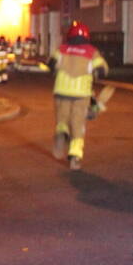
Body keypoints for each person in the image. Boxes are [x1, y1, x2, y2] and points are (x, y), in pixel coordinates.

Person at [48, 21, 108, 170]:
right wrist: (95, 73)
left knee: (62, 119)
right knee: (78, 125)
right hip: (81, 94)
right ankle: (75, 156)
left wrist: (56, 69)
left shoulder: (62, 49)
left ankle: (62, 132)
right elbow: (102, 69)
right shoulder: (92, 51)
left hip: (61, 91)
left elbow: (51, 63)